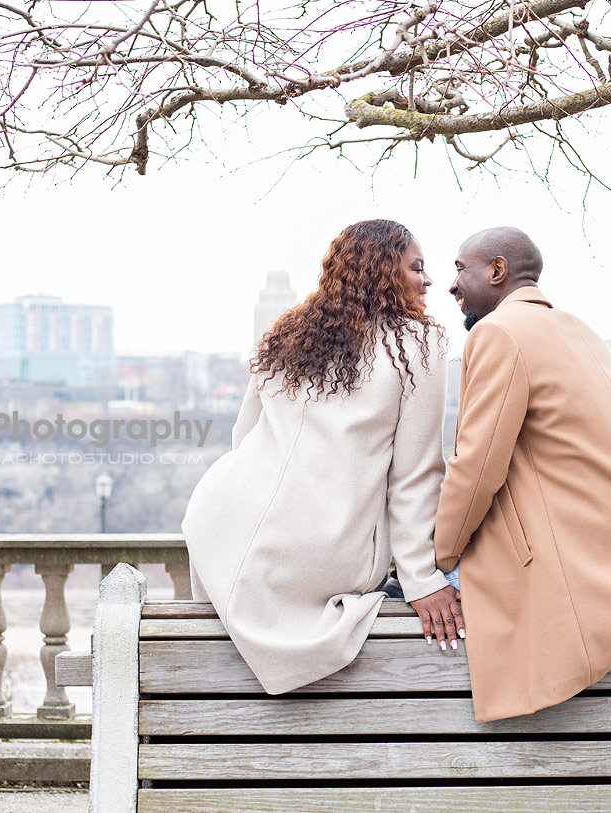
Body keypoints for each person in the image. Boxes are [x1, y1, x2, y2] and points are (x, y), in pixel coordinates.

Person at [181, 219, 463, 695]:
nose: (429, 279)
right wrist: (420, 581)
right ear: (383, 272)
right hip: (324, 549)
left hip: (222, 528)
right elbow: (415, 476)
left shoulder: (287, 333)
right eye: (417, 267)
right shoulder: (418, 344)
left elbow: (244, 435)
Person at [435, 226, 611, 722]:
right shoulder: (582, 333)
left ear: (497, 270)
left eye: (459, 269)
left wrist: (440, 556)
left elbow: (475, 466)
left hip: (560, 578)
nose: (452, 284)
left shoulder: (498, 333)